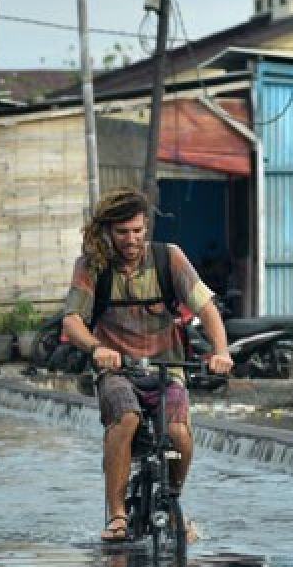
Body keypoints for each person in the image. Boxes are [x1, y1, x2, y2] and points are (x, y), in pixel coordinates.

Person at [61, 187, 234, 543]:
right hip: (117, 371)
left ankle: (172, 504)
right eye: (123, 232)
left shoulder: (169, 259)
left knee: (180, 435)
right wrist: (96, 349)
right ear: (108, 231)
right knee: (125, 417)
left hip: (166, 369)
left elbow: (206, 308)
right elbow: (72, 321)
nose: (132, 240)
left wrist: (221, 351)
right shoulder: (93, 265)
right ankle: (118, 516)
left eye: (138, 231)